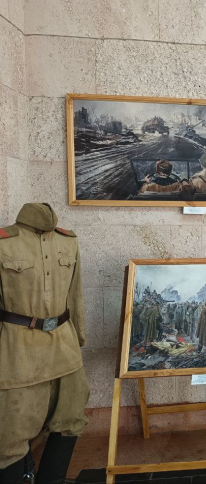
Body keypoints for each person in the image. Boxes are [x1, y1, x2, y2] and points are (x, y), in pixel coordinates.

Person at [0, 203, 89, 484]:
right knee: (11, 431)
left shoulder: (68, 240)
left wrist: (79, 336)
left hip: (64, 345)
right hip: (18, 349)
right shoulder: (4, 243)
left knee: (71, 417)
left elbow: (75, 295)